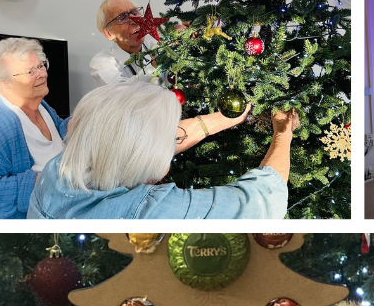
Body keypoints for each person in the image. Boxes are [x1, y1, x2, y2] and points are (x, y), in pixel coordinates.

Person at [26, 80, 293, 220]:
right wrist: (283, 133)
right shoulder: (148, 212)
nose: (172, 140)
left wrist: (220, 120)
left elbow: (121, 142)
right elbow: (264, 202)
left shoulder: (57, 171)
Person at [0, 37, 66, 219]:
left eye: (41, 65)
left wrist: (72, 125)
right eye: (30, 71)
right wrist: (42, 182)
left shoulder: (41, 106)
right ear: (4, 82)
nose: (42, 74)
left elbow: (56, 134)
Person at [91, 0, 161, 86]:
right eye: (122, 17)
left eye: (135, 12)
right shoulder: (101, 62)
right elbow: (122, 92)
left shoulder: (156, 46)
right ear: (108, 33)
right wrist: (153, 66)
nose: (135, 20)